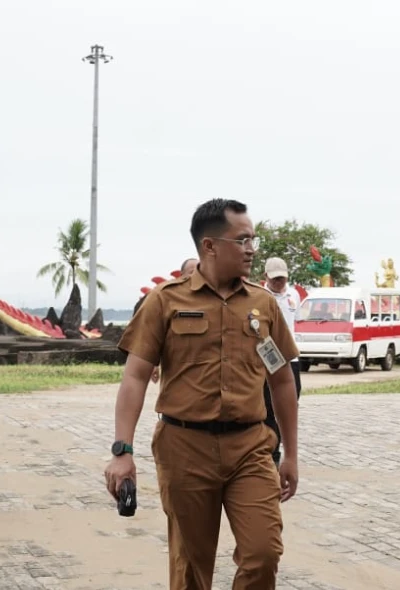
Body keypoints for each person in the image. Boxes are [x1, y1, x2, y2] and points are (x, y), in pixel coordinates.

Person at [103, 198, 300, 590]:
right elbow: (135, 378)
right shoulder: (165, 300)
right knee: (190, 569)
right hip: (184, 448)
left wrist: (291, 454)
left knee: (263, 554)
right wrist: (122, 451)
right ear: (209, 245)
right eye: (242, 240)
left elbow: (281, 381)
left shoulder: (262, 304)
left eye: (253, 240)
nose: (251, 249)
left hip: (250, 447)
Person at [262, 256, 302, 466]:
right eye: (275, 278)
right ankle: (272, 452)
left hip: (291, 359)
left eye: (282, 278)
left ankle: (286, 448)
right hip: (268, 360)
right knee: (268, 406)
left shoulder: (293, 295)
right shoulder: (260, 297)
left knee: (290, 403)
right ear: (266, 276)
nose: (279, 282)